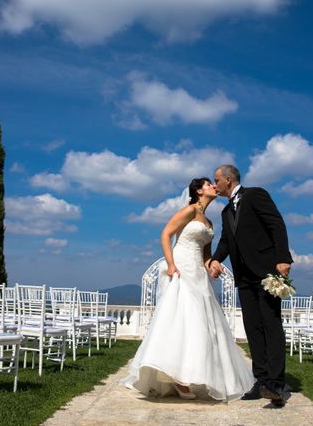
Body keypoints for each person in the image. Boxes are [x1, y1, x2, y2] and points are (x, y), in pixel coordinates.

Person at [122, 177, 255, 401]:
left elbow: (205, 254)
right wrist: (171, 264)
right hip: (182, 267)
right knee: (183, 318)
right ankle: (179, 380)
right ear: (199, 191)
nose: (214, 186)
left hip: (198, 272)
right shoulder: (189, 211)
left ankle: (188, 373)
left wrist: (211, 265)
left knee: (201, 323)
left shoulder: (209, 222)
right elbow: (165, 234)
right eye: (209, 184)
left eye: (214, 183)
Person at [208, 164, 293, 407]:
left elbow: (276, 224)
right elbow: (226, 241)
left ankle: (276, 383)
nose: (215, 185)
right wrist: (215, 259)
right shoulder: (226, 212)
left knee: (270, 325)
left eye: (216, 180)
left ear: (227, 180)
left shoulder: (255, 194)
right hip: (243, 277)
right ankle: (261, 379)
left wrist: (283, 258)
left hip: (267, 271)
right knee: (253, 328)